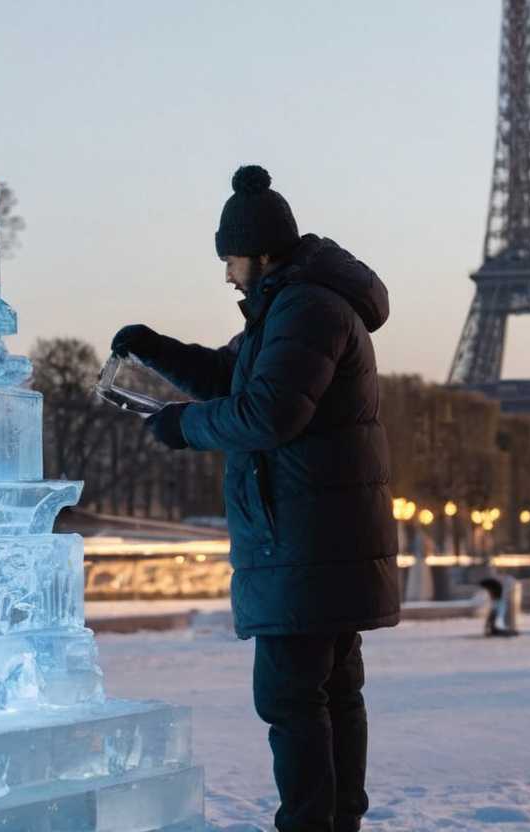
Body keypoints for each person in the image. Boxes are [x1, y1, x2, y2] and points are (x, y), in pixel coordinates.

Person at [111, 165, 400, 832]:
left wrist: (182, 427)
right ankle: (333, 823)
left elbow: (268, 412)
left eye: (231, 258)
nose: (227, 274)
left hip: (304, 541)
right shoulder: (297, 305)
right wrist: (155, 351)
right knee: (329, 695)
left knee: (293, 700)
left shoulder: (306, 309)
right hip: (319, 540)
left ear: (259, 252)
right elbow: (226, 375)